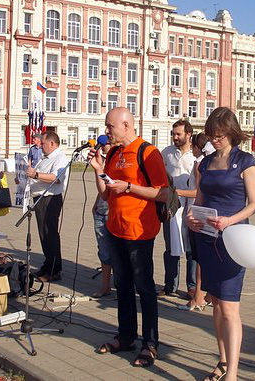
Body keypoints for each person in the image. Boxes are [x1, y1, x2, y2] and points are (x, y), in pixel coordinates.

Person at [89, 107, 169, 368]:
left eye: (110, 126)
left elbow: (163, 194)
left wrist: (129, 187)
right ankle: (125, 337)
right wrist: (98, 170)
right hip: (115, 228)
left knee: (143, 287)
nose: (106, 131)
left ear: (126, 125)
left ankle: (150, 343)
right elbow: (105, 194)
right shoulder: (113, 152)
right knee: (121, 286)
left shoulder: (148, 152)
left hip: (139, 231)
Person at [187, 107, 255, 381]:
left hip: (235, 240)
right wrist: (192, 218)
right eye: (211, 136)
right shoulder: (204, 164)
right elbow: (200, 201)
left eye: (219, 135)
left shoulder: (245, 161)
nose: (215, 140)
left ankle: (232, 373)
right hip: (208, 238)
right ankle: (222, 361)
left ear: (231, 132)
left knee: (230, 307)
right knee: (216, 302)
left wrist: (230, 221)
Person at [159, 120, 197, 298]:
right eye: (173, 134)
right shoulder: (166, 153)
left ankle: (192, 286)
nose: (175, 137)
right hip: (171, 206)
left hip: (191, 206)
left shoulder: (196, 155)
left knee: (190, 249)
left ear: (188, 134)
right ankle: (169, 285)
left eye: (178, 134)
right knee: (170, 246)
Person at [179, 132, 215, 311]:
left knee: (198, 257)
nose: (191, 149)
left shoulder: (200, 163)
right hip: (201, 211)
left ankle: (199, 297)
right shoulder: (208, 162)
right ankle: (208, 295)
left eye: (193, 146)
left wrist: (176, 192)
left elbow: (197, 192)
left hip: (196, 212)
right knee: (202, 256)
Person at [26, 131, 68, 282]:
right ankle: (48, 264)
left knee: (49, 235)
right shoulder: (46, 157)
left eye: (42, 143)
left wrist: (36, 175)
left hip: (50, 199)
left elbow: (56, 178)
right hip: (40, 198)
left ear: (52, 143)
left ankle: (54, 270)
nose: (40, 145)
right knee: (44, 235)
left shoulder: (59, 158)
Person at [92, 143, 113, 298]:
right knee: (104, 251)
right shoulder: (105, 161)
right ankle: (105, 286)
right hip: (101, 211)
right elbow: (103, 189)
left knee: (118, 253)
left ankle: (121, 286)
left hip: (115, 213)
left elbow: (112, 184)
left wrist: (99, 169)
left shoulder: (121, 159)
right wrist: (96, 203)